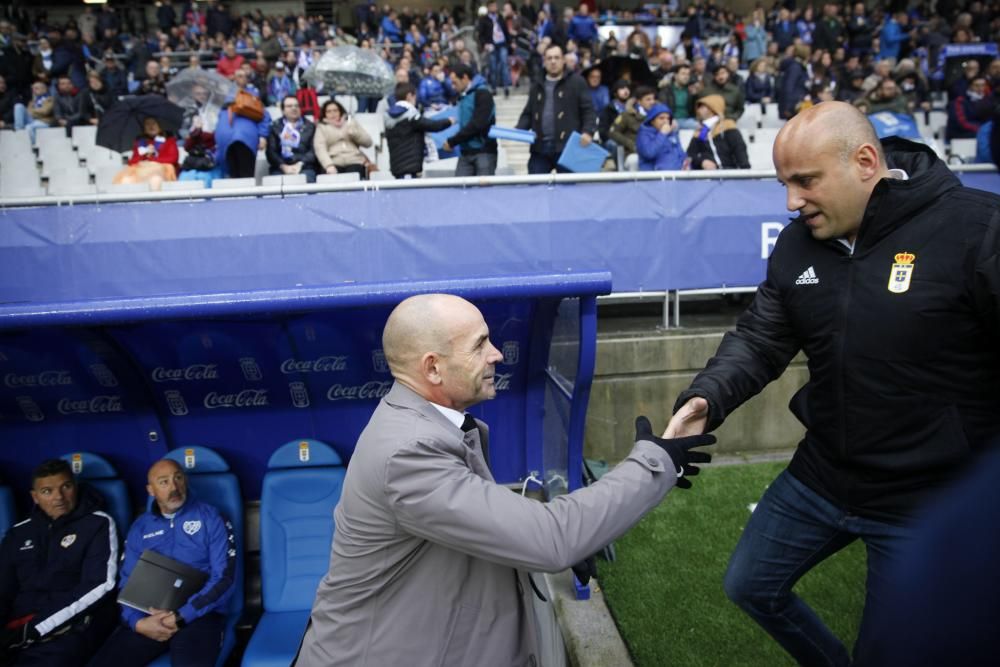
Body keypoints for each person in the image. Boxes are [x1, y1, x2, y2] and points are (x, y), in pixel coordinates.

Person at [664, 102, 1000, 667]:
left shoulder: (976, 227)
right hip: (823, 475)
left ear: (865, 161)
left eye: (805, 181)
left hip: (926, 496)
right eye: (784, 184)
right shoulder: (798, 244)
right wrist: (705, 398)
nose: (791, 202)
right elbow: (761, 338)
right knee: (749, 586)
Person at [293, 293, 714, 666]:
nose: (497, 354)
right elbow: (551, 538)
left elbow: (486, 524)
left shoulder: (426, 429)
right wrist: (655, 461)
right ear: (433, 369)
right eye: (479, 345)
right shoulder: (409, 452)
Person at [89, 460, 235, 667]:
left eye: (178, 478)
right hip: (150, 616)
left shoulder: (211, 517)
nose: (174, 487)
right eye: (164, 482)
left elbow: (224, 579)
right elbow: (126, 583)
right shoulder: (140, 528)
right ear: (151, 490)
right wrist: (137, 623)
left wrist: (182, 616)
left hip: (200, 615)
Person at [0, 459, 118, 666]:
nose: (59, 497)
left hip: (71, 625)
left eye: (66, 487)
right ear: (35, 497)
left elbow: (99, 585)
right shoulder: (18, 533)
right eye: (47, 491)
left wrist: (35, 628)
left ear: (75, 486)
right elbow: (3, 588)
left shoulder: (97, 523)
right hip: (18, 624)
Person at [516, 44, 595, 174]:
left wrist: (587, 131)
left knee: (569, 190)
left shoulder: (577, 82)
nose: (553, 61)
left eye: (557, 58)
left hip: (568, 147)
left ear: (563, 60)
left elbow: (588, 111)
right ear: (544, 61)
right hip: (539, 148)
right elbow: (528, 113)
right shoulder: (536, 84)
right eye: (549, 58)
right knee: (536, 189)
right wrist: (519, 129)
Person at [384, 82, 454, 179]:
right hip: (409, 168)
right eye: (415, 97)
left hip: (397, 167)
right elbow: (432, 125)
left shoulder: (388, 116)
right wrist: (449, 121)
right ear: (409, 96)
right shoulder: (410, 116)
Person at [442, 63, 498, 176]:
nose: (453, 87)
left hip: (484, 151)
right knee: (460, 190)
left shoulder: (483, 94)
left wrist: (453, 141)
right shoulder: (463, 96)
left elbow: (477, 124)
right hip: (465, 152)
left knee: (483, 192)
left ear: (465, 78)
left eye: (455, 82)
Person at [313, 99, 373, 180]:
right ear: (324, 114)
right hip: (334, 161)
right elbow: (320, 148)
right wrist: (328, 165)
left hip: (354, 160)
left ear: (340, 111)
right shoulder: (322, 127)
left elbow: (368, 143)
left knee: (355, 175)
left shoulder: (351, 122)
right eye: (329, 111)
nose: (332, 114)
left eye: (335, 110)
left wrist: (355, 133)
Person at [113, 117, 179, 190]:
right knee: (126, 181)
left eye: (153, 123)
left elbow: (173, 158)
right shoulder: (140, 142)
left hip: (161, 169)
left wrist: (151, 158)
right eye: (147, 124)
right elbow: (132, 161)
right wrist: (144, 154)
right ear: (144, 128)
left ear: (160, 125)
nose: (151, 126)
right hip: (141, 169)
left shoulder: (169, 140)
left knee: (155, 180)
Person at [686, 94, 749, 170]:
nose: (699, 110)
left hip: (730, 173)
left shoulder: (727, 125)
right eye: (699, 107)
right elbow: (690, 155)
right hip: (707, 177)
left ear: (713, 108)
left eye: (702, 107)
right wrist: (702, 161)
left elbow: (739, 149)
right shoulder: (700, 131)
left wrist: (745, 170)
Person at [266, 94, 317, 182]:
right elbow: (271, 152)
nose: (294, 108)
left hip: (305, 167)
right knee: (274, 185)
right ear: (283, 110)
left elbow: (313, 150)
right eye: (289, 106)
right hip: (280, 168)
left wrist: (300, 164)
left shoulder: (311, 126)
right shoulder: (274, 127)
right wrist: (283, 166)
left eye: (296, 106)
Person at [636, 103, 686, 171]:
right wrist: (662, 134)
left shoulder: (672, 134)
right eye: (661, 118)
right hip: (653, 177)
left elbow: (680, 153)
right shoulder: (643, 134)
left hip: (675, 176)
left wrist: (686, 163)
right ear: (652, 121)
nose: (666, 121)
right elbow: (649, 153)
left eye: (668, 118)